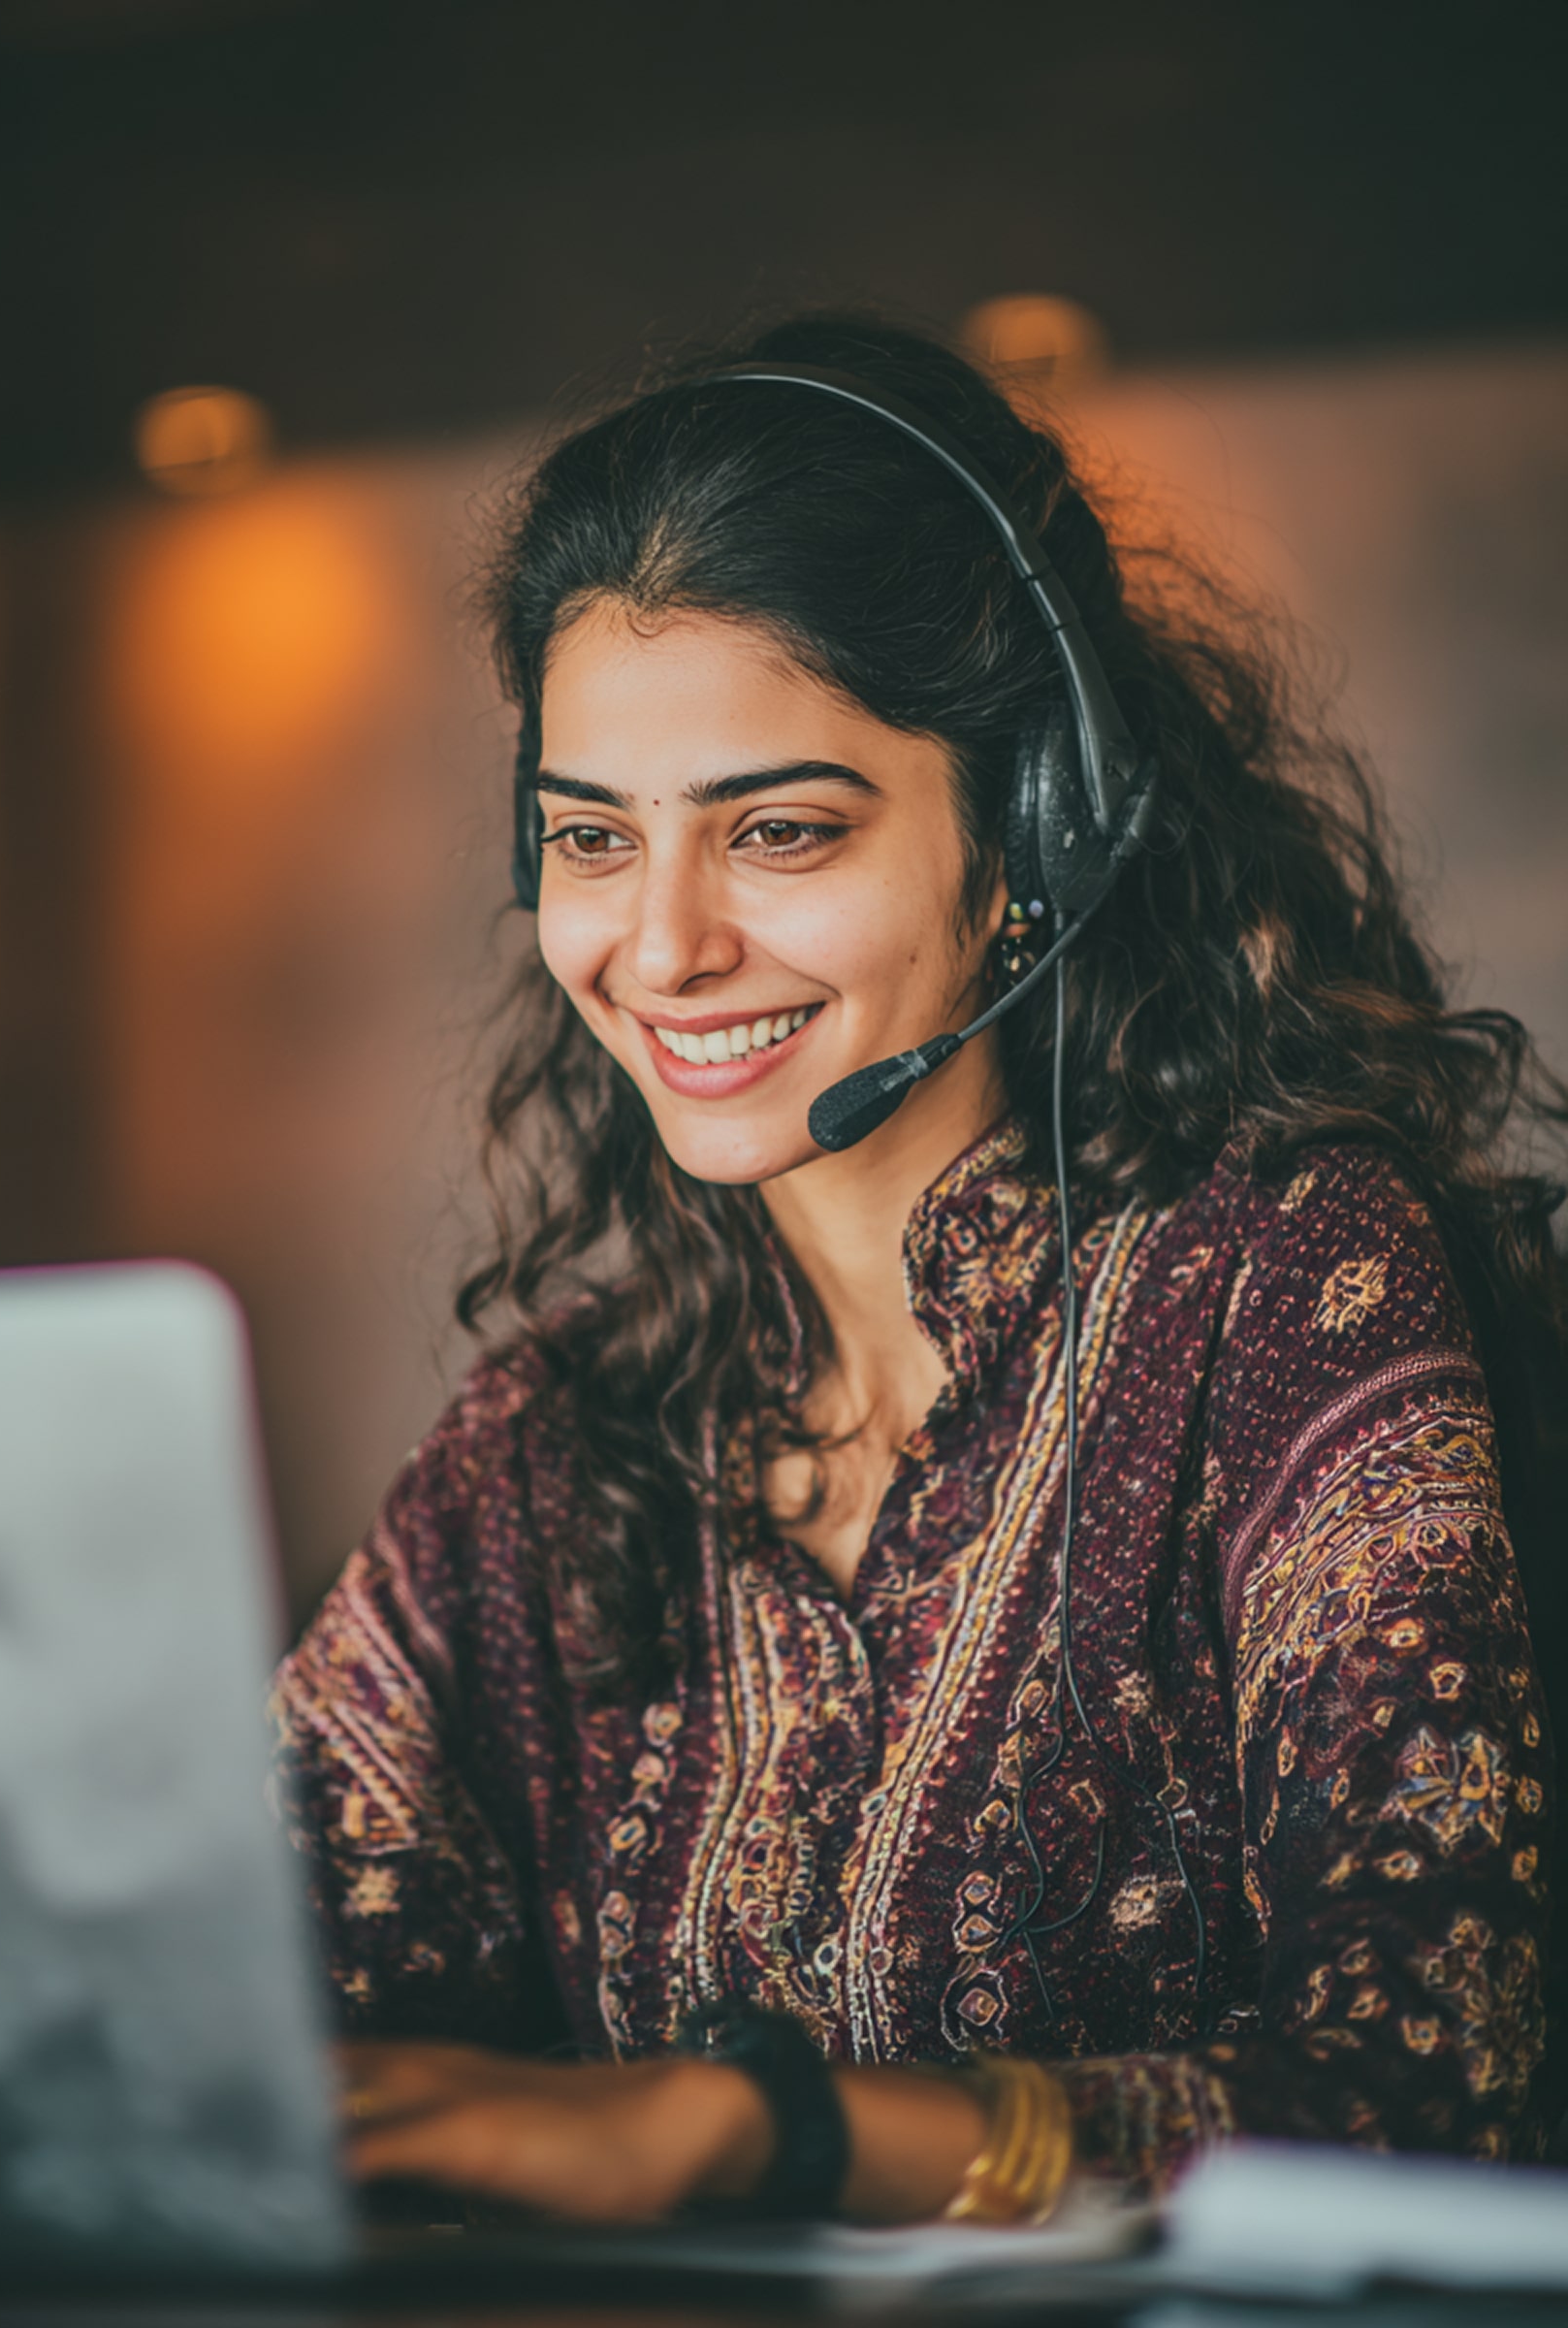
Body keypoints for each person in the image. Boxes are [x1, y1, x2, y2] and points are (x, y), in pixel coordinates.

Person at [273, 315, 1564, 2224]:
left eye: (778, 831)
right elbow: (247, 1993)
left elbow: (1436, 2090)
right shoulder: (554, 1446)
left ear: (1024, 836)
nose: (661, 944)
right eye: (588, 840)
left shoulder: (1286, 1286)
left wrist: (752, 2129)